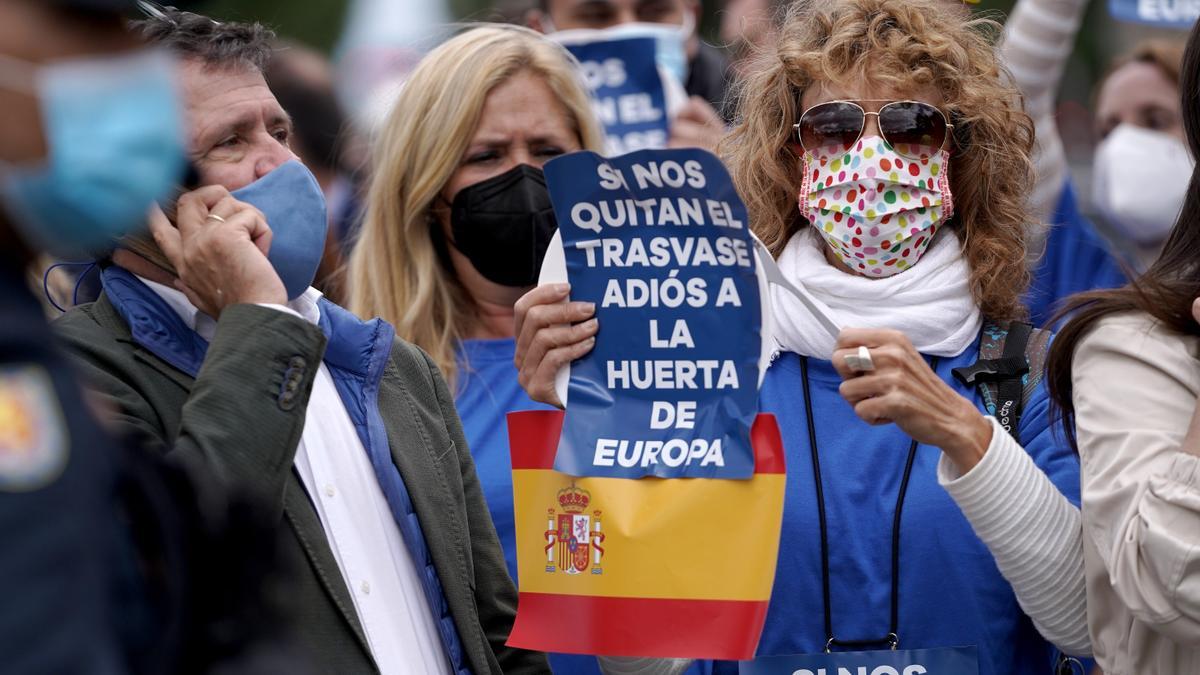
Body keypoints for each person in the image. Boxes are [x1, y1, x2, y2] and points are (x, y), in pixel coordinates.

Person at [514, 1, 1092, 673]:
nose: (870, 157)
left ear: (959, 160)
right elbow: (642, 662)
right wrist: (596, 423)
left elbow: (1085, 621)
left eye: (911, 125)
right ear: (791, 157)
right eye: (834, 126)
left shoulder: (1027, 373)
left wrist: (965, 434)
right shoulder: (722, 369)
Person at [52, 8, 547, 675]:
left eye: (279, 129)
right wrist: (256, 318)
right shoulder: (75, 377)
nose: (283, 161)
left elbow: (500, 638)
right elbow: (176, 581)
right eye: (232, 140)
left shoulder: (396, 368)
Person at [0, 0, 311, 672]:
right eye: (81, 25)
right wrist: (258, 319)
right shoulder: (79, 359)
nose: (120, 69)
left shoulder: (376, 356)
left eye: (280, 130)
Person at [348, 24, 614, 675]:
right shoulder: (374, 384)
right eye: (487, 155)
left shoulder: (658, 346)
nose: (523, 176)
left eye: (549, 149)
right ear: (428, 188)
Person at [1045, 17, 1200, 675]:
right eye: (1108, 130)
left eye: (1152, 119)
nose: (1127, 146)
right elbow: (1176, 580)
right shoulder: (1121, 337)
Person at [525, 0, 729, 148]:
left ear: (692, 17)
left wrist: (735, 181)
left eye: (654, 12)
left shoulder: (748, 117)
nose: (628, 29)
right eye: (596, 16)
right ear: (539, 31)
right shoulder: (509, 143)